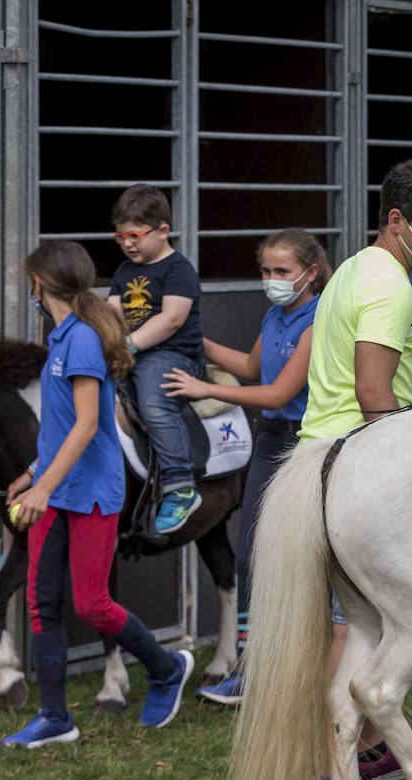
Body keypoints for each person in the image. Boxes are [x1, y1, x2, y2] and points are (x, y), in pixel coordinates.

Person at [300, 158, 412, 780]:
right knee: (360, 632)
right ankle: (339, 771)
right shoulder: (390, 288)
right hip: (356, 462)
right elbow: (374, 395)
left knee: (371, 627)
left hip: (324, 453)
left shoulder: (353, 270)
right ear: (395, 221)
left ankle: (365, 754)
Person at [1, 241, 195, 747]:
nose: (31, 290)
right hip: (54, 488)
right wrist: (33, 471)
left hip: (87, 492)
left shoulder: (84, 340)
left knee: (91, 604)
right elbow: (61, 423)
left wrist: (43, 486)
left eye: (31, 282)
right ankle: (56, 718)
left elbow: (88, 425)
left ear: (41, 285)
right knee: (43, 603)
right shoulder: (60, 334)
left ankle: (168, 667)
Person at [159, 229, 331, 705]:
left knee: (306, 559)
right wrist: (197, 342)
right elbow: (253, 368)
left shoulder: (320, 319)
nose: (271, 281)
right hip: (271, 438)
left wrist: (206, 389)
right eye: (265, 271)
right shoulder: (277, 314)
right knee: (250, 554)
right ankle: (248, 666)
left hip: (306, 442)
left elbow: (276, 394)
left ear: (310, 273)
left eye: (282, 272)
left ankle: (305, 665)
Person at [106, 184, 207, 535]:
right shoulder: (123, 272)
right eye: (120, 238)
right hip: (133, 351)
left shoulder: (178, 269)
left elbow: (172, 319)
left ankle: (181, 485)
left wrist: (128, 347)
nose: (128, 244)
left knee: (153, 402)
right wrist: (108, 343)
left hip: (171, 354)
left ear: (163, 230)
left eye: (134, 235)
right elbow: (114, 311)